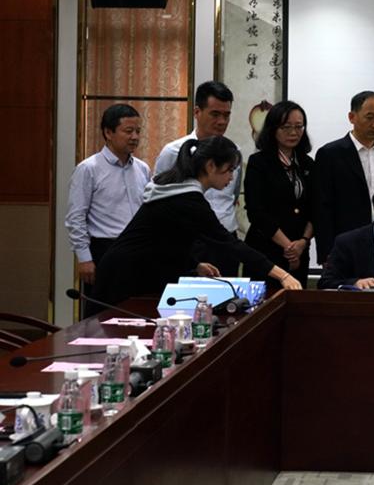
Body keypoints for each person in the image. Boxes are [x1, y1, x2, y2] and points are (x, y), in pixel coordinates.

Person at [92, 136, 302, 312]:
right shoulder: (188, 199)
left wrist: (195, 264)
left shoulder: (179, 190)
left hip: (135, 270)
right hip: (124, 275)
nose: (231, 177)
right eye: (229, 169)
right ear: (210, 166)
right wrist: (282, 274)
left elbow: (168, 237)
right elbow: (229, 243)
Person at [154, 80, 242, 275]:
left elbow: (232, 196)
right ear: (197, 112)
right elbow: (158, 199)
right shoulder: (174, 151)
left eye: (226, 115)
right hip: (190, 241)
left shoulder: (234, 152)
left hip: (225, 239)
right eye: (215, 114)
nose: (222, 121)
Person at [65, 103, 151, 294]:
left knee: (135, 307)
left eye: (138, 131)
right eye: (128, 131)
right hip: (104, 250)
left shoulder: (142, 168)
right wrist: (84, 258)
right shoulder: (88, 169)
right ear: (108, 132)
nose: (135, 137)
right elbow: (75, 217)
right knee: (103, 308)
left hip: (138, 250)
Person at [313, 91, 374, 265]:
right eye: (370, 117)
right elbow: (321, 207)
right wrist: (326, 251)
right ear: (352, 117)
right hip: (344, 244)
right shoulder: (330, 154)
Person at [243, 101, 316, 290]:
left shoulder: (308, 164)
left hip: (300, 251)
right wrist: (288, 246)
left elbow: (315, 208)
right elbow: (256, 211)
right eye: (286, 127)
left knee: (296, 301)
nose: (293, 132)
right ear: (273, 129)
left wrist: (303, 243)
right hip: (265, 250)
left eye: (299, 127)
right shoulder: (259, 162)